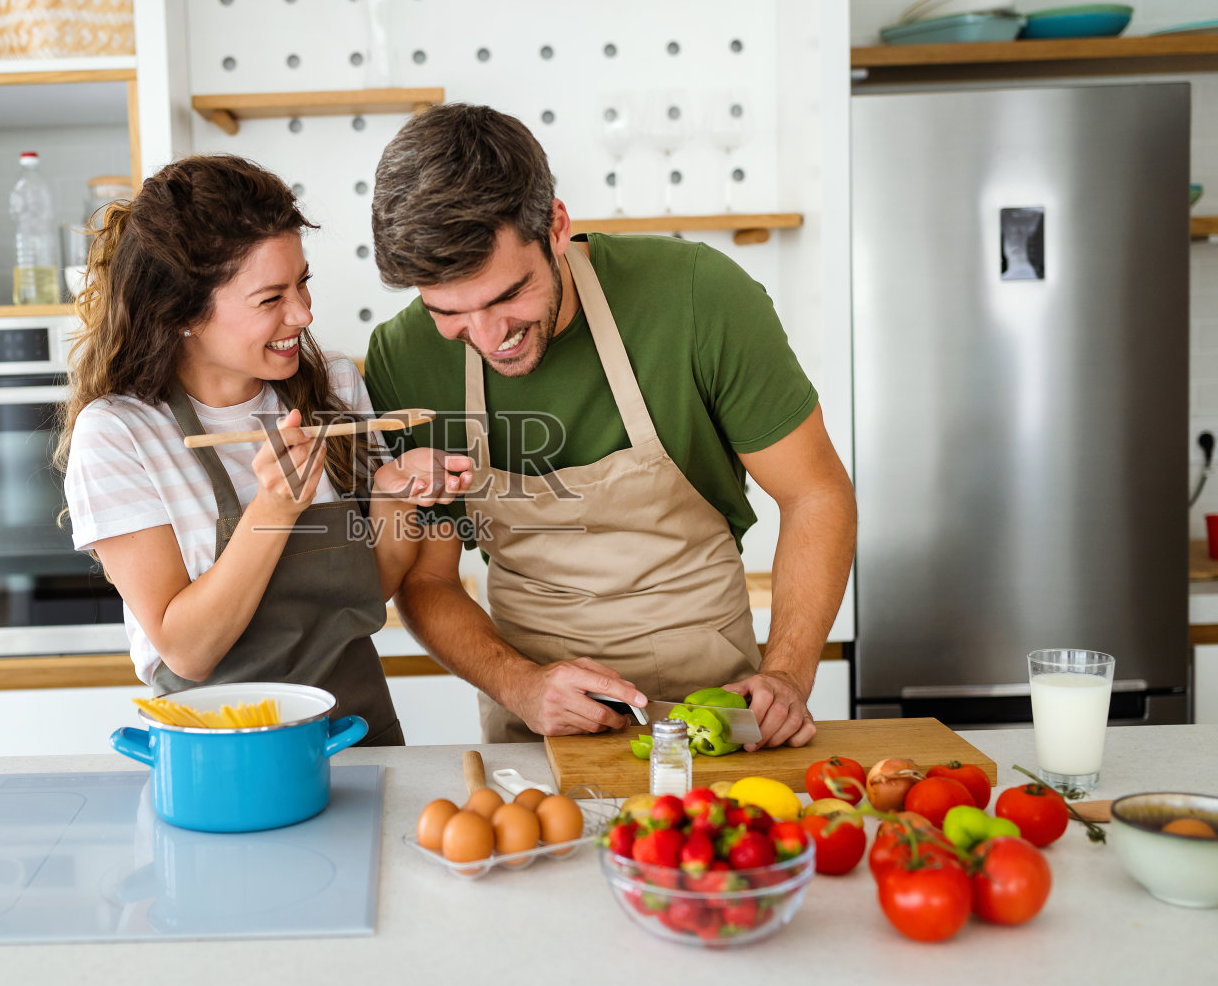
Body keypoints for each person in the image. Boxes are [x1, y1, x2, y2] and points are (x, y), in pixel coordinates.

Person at [362, 104, 857, 747]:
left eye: (508, 295)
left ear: (557, 227)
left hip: (722, 709)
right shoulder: (404, 358)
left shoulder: (698, 297)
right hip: (537, 727)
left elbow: (815, 493)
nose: (488, 337)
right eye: (448, 312)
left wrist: (787, 675)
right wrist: (520, 686)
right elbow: (426, 580)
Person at [57, 154, 472, 747]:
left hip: (360, 730)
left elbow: (369, 589)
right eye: (270, 297)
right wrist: (272, 513)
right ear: (182, 312)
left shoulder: (332, 385)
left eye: (302, 283)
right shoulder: (120, 434)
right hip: (227, 753)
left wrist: (393, 498)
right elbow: (188, 650)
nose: (303, 315)